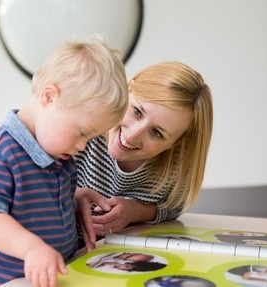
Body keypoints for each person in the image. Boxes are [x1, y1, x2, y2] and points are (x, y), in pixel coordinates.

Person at [0, 35, 128, 287]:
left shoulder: (59, 155)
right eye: (81, 132)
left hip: (46, 275)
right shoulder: (0, 151)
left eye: (90, 137)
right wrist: (32, 249)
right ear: (49, 97)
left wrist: (75, 201)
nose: (82, 146)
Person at [74, 61, 213, 250]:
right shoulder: (82, 125)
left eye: (157, 133)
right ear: (128, 89)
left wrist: (134, 211)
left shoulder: (172, 166)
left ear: (174, 143)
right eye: (137, 111)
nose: (132, 135)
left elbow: (172, 206)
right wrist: (69, 197)